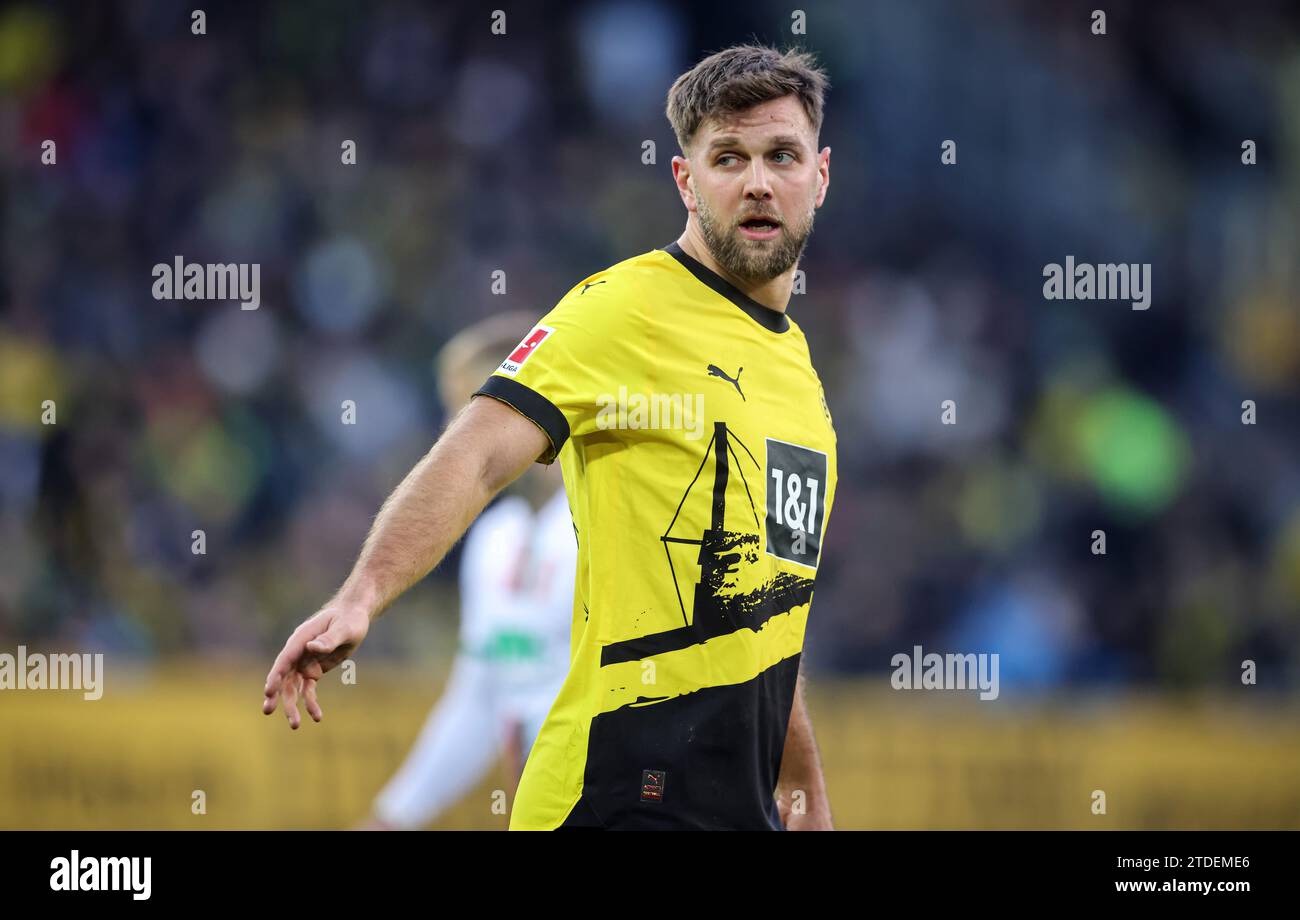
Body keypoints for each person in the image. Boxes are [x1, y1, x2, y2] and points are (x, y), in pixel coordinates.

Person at [264, 43, 838, 831]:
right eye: (728, 158)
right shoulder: (622, 308)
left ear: (821, 175)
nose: (759, 181)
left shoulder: (799, 377)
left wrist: (802, 789)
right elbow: (474, 454)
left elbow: (767, 608)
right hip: (613, 794)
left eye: (782, 155)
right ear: (686, 180)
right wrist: (362, 594)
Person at [365, 315, 575, 830]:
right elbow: (479, 697)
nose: (449, 441)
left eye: (465, 416)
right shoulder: (495, 537)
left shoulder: (605, 521)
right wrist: (393, 818)